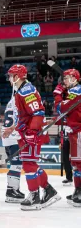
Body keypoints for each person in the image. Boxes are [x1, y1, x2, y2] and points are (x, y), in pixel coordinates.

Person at [3, 65, 61, 211]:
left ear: (17, 76)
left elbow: (38, 113)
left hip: (32, 133)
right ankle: (48, 190)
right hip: (26, 131)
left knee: (29, 165)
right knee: (30, 164)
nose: (9, 78)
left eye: (11, 76)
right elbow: (25, 116)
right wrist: (13, 128)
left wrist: (32, 131)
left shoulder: (26, 90)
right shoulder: (21, 91)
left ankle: (34, 196)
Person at [53, 69, 81, 207]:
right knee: (75, 164)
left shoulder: (76, 91)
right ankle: (78, 190)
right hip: (74, 131)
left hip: (79, 131)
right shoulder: (73, 91)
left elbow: (61, 108)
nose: (64, 81)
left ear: (75, 79)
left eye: (67, 78)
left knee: (79, 164)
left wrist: (58, 94)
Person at [1, 92, 25, 203]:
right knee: (16, 165)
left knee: (15, 164)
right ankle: (11, 191)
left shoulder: (10, 102)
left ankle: (13, 189)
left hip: (6, 138)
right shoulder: (18, 102)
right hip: (14, 137)